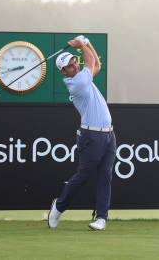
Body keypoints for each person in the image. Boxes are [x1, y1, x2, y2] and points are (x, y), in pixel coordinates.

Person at [48, 36, 116, 231]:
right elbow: (91, 61)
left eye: (74, 61)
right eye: (69, 65)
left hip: (109, 135)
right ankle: (58, 207)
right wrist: (82, 44)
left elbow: (97, 64)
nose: (74, 65)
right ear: (63, 72)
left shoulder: (83, 76)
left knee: (105, 175)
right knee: (84, 175)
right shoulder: (76, 83)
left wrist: (86, 43)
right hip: (90, 136)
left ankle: (101, 218)